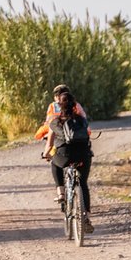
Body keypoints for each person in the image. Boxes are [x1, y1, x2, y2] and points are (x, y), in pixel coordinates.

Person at [42, 91, 95, 233]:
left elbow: (49, 144)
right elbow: (87, 136)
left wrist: (46, 154)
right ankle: (86, 217)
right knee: (83, 183)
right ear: (74, 105)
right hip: (84, 154)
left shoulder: (55, 121)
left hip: (65, 155)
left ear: (60, 105)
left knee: (54, 162)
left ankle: (61, 193)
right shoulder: (82, 120)